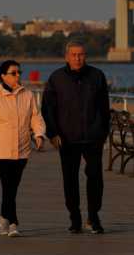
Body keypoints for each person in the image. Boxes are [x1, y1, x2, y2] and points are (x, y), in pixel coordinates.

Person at [41, 41, 111, 234]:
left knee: (96, 178)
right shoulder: (56, 78)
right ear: (67, 56)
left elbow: (104, 107)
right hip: (67, 138)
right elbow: (47, 109)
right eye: (74, 54)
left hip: (93, 137)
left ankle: (94, 217)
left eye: (81, 54)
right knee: (70, 179)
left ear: (85, 55)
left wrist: (103, 132)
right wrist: (53, 133)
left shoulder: (97, 76)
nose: (78, 58)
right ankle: (75, 218)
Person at [0, 60, 45, 237]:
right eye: (13, 73)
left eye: (19, 73)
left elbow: (35, 117)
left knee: (12, 187)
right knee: (8, 185)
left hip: (22, 149)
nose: (18, 76)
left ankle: (3, 218)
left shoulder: (28, 95)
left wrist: (39, 135)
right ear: (3, 76)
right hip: (0, 149)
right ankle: (14, 223)